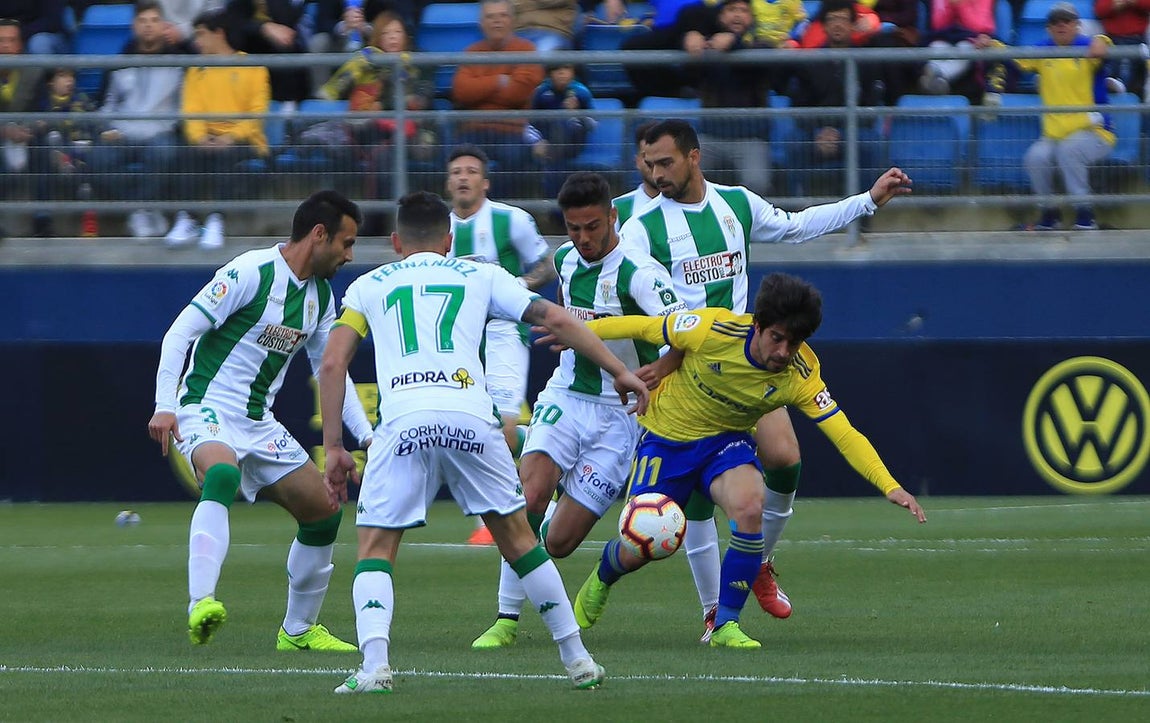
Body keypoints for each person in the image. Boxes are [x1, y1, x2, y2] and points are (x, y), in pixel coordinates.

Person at [317, 190, 650, 693]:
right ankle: (578, 659)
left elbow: (331, 363)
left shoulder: (368, 285)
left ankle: (375, 668)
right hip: (471, 417)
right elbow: (558, 320)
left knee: (376, 547)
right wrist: (619, 370)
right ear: (449, 240)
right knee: (520, 541)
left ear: (396, 242)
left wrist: (334, 446)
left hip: (403, 419)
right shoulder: (482, 275)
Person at [618, 119, 912, 641]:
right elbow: (658, 303)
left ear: (693, 157)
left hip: (749, 364)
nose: (656, 174)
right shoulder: (641, 227)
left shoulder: (735, 204)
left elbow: (796, 226)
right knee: (698, 500)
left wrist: (867, 201)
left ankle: (758, 562)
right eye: (649, 164)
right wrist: (670, 358)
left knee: (786, 460)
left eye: (665, 162)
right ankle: (714, 613)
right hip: (686, 371)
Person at [572, 272, 927, 649]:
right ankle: (604, 575)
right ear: (757, 325)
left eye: (794, 342)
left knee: (750, 507)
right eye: (777, 338)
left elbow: (844, 431)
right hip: (667, 440)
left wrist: (889, 484)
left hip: (725, 443)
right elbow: (640, 327)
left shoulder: (801, 373)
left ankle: (725, 624)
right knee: (644, 544)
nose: (784, 352)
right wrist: (572, 330)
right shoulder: (711, 328)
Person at [146, 190, 373, 652]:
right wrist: (164, 404)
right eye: (346, 243)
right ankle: (201, 603)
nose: (349, 255)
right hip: (204, 406)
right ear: (319, 234)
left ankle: (298, 630)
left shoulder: (320, 297)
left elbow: (331, 371)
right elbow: (180, 332)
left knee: (324, 512)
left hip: (258, 422)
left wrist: (368, 436)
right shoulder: (250, 271)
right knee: (222, 474)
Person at [470, 172, 688, 650]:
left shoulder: (642, 274)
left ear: (613, 217)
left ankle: (553, 502)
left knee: (560, 542)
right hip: (567, 396)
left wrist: (658, 370)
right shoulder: (565, 260)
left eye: (593, 227)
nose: (584, 238)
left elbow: (684, 334)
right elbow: (566, 312)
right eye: (574, 228)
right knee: (527, 496)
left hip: (621, 417)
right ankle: (506, 619)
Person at [445, 144, 556, 545]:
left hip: (505, 332)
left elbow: (547, 263)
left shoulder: (511, 220)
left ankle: (550, 460)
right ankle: (493, 515)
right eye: (456, 171)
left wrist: (518, 286)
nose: (463, 177)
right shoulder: (440, 229)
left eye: (471, 171)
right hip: (458, 339)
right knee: (473, 427)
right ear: (448, 182)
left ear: (485, 182)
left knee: (502, 427)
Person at [976, 3, 1115, 231]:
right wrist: (991, 44)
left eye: (1066, 21)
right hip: (1055, 135)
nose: (1061, 25)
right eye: (1055, 22)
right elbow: (1016, 57)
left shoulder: (1089, 47)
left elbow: (1105, 47)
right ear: (1048, 28)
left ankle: (1085, 215)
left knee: (1069, 151)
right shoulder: (1043, 50)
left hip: (1095, 132)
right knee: (1035, 158)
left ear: (1077, 25)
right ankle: (1050, 214)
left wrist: (1104, 40)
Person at [168, 9, 271, 249]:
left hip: (244, 139)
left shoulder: (253, 67)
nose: (196, 41)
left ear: (219, 34)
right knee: (185, 152)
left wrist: (231, 137)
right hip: (207, 137)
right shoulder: (196, 70)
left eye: (201, 34)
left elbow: (257, 113)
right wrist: (200, 137)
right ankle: (188, 218)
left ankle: (216, 219)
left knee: (226, 156)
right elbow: (190, 110)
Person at [90, 0, 189, 239]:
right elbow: (106, 104)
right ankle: (140, 208)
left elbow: (183, 106)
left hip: (161, 133)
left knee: (165, 152)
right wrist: (107, 127)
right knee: (97, 158)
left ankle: (142, 209)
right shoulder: (119, 63)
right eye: (143, 21)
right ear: (134, 26)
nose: (148, 26)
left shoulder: (180, 63)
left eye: (154, 20)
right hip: (122, 133)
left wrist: (171, 127)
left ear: (163, 25)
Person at [314, 6, 435, 196]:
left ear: (406, 35)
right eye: (386, 33)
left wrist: (383, 105)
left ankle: (388, 208)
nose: (393, 37)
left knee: (385, 154)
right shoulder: (365, 61)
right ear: (378, 37)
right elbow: (341, 92)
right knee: (349, 147)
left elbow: (421, 99)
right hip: (369, 129)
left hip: (409, 130)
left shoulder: (419, 62)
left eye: (397, 32)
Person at [787, 0, 884, 197]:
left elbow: (871, 111)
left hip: (853, 131)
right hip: (816, 133)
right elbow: (799, 108)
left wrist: (841, 133)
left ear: (853, 24)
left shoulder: (866, 62)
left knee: (869, 141)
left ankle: (865, 208)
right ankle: (796, 205)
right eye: (832, 19)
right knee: (794, 141)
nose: (838, 24)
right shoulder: (809, 62)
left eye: (843, 19)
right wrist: (819, 132)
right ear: (823, 25)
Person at [451, 0, 545, 185]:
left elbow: (519, 93)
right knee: (457, 156)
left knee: (514, 157)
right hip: (474, 129)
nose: (497, 21)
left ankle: (500, 203)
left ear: (513, 20)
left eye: (503, 15)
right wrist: (499, 81)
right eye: (490, 17)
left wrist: (479, 91)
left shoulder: (527, 50)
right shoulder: (472, 52)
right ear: (481, 24)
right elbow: (461, 92)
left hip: (511, 129)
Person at [0, 18, 44, 231]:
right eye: (1, 41)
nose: (6, 46)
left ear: (20, 45)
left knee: (45, 146)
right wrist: (4, 131)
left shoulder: (34, 72)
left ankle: (42, 217)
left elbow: (44, 111)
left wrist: (29, 129)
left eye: (11, 40)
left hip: (26, 134)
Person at [529, 62, 595, 169]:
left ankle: (552, 157)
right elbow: (529, 123)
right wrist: (536, 141)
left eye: (566, 68)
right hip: (545, 141)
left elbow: (592, 125)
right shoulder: (540, 92)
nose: (561, 73)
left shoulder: (581, 92)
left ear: (573, 72)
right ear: (549, 73)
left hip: (573, 144)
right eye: (556, 69)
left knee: (561, 122)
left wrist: (577, 113)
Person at [1095, 0, 1149, 100]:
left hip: (1137, 39)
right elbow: (1100, 10)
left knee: (1136, 82)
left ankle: (1133, 102)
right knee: (1112, 77)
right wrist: (1116, 4)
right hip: (1112, 39)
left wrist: (1135, 2)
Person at [611, 120, 659, 230]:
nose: (654, 163)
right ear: (637, 161)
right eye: (645, 156)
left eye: (660, 157)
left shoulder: (691, 205)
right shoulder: (617, 208)